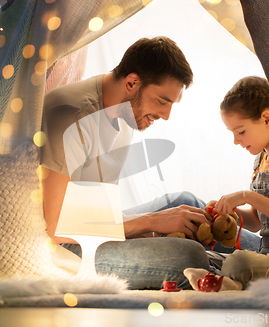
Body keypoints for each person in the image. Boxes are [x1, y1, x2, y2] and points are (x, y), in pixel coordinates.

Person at [40, 36, 213, 289]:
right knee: (188, 257)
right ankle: (223, 265)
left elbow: (101, 209)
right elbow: (55, 228)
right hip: (64, 245)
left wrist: (148, 228)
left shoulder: (124, 114)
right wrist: (150, 222)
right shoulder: (72, 115)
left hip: (87, 225)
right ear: (132, 82)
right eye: (162, 101)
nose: (165, 115)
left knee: (188, 205)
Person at [185, 76, 269, 289]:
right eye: (233, 133)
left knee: (239, 262)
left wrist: (246, 196)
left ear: (266, 119)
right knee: (204, 257)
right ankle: (231, 282)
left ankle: (230, 280)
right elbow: (257, 221)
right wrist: (231, 214)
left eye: (241, 131)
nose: (236, 140)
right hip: (266, 253)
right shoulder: (261, 161)